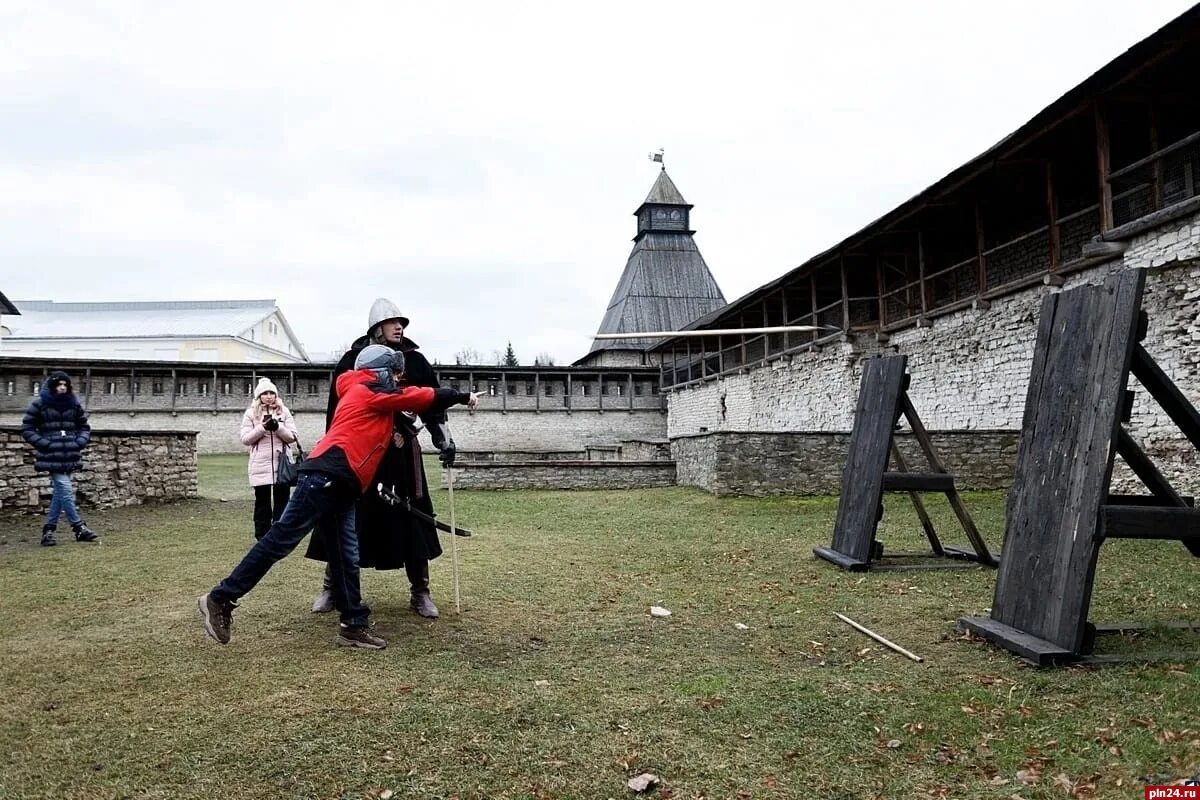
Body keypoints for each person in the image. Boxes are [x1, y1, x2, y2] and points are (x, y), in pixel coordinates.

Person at [197, 345, 479, 650]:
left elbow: (406, 401)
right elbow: (420, 395)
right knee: (280, 540)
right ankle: (221, 598)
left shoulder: (360, 389)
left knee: (346, 555)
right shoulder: (368, 393)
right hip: (327, 476)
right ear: (380, 372)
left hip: (343, 483)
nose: (399, 379)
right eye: (394, 373)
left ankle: (352, 625)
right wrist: (463, 396)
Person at [305, 298, 457, 619]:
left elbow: (431, 402)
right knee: (345, 514)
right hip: (360, 452)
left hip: (400, 454)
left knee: (412, 515)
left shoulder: (414, 362)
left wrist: (443, 438)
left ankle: (421, 591)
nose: (399, 327)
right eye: (392, 322)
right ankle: (333, 587)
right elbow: (338, 410)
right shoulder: (351, 361)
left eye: (402, 322)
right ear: (377, 327)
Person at [21, 370, 98, 546]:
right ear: (52, 386)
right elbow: (27, 428)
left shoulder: (74, 404)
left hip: (69, 452)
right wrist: (45, 443)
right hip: (51, 454)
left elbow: (84, 427)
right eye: (59, 385)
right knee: (65, 488)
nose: (62, 388)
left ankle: (48, 531)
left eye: (65, 385)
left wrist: (79, 442)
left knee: (60, 493)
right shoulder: (40, 404)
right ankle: (79, 528)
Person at [240, 377, 299, 540]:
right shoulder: (251, 414)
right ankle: (262, 535)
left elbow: (293, 436)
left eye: (271, 393)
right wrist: (262, 428)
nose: (268, 396)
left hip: (282, 465)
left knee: (283, 501)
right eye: (265, 393)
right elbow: (246, 439)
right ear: (259, 396)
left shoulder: (284, 412)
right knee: (262, 502)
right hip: (261, 464)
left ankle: (280, 534)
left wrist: (278, 427)